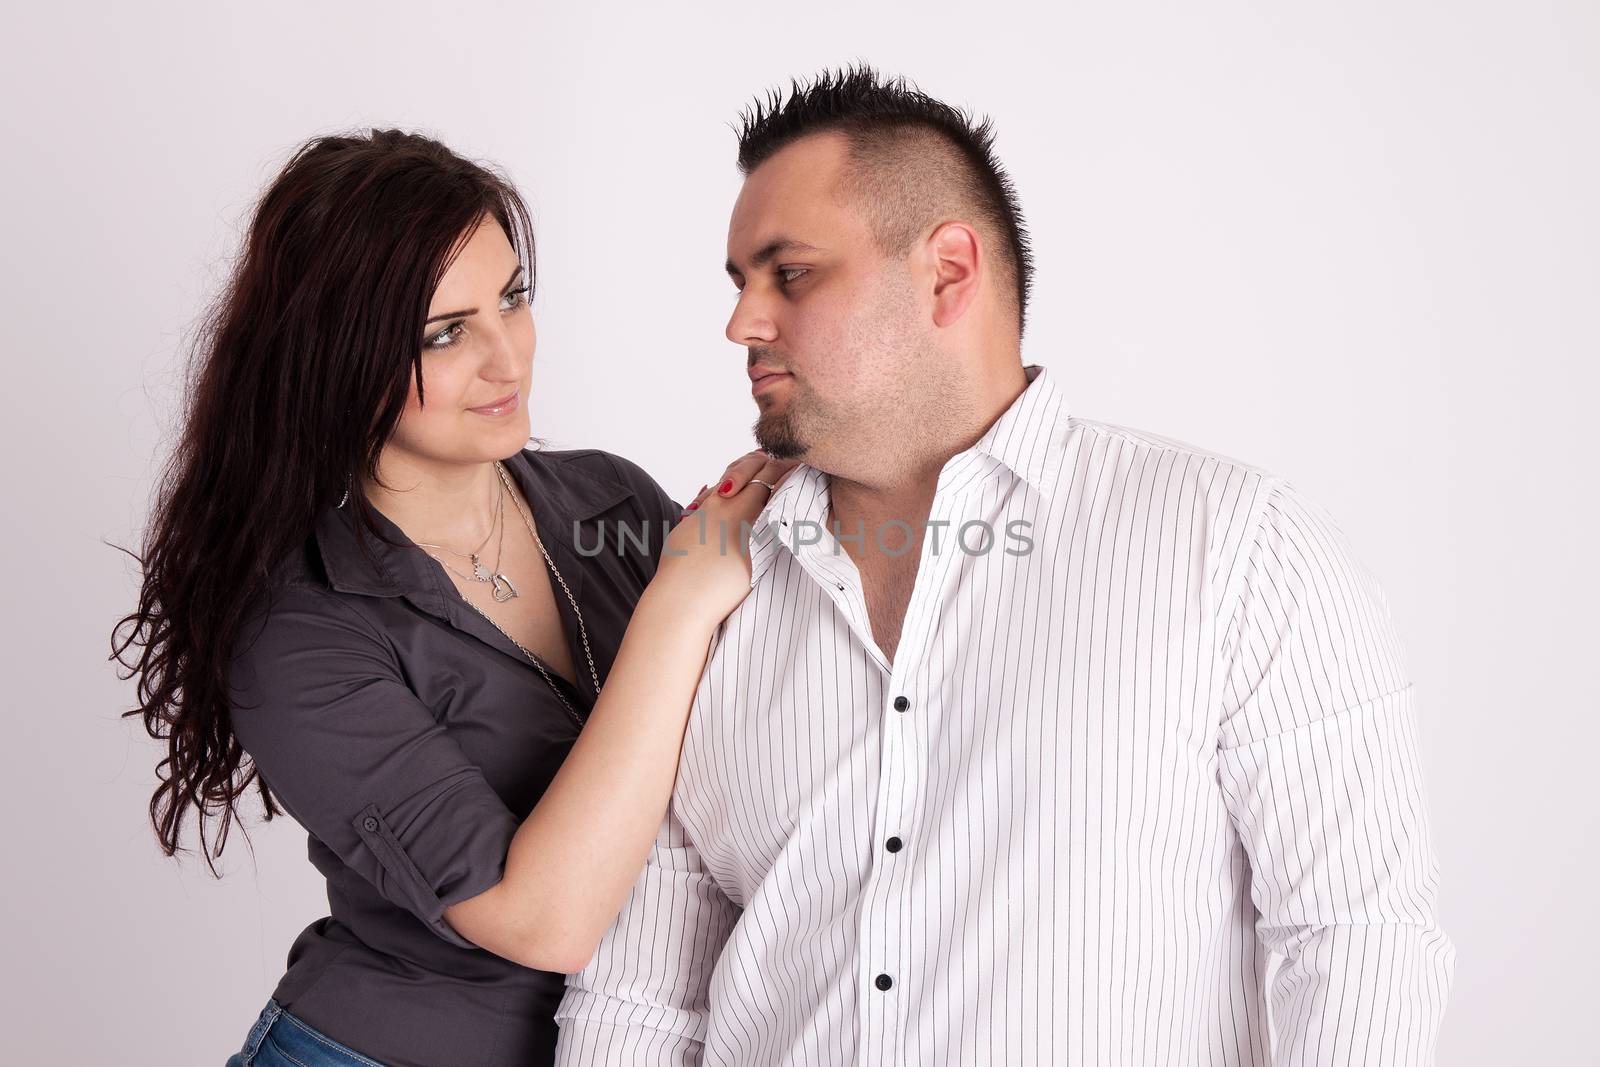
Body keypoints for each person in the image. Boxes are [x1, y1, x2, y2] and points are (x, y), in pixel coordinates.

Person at [555, 66, 1456, 1066]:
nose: (743, 323)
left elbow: (1355, 938)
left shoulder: (1234, 548)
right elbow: (641, 1000)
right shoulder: (706, 594)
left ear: (947, 271)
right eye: (740, 283)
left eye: (791, 273)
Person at [111, 129, 792, 1067]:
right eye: (445, 333)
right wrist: (680, 600)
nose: (507, 360)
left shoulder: (612, 500)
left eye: (511, 299)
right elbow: (543, 921)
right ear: (338, 358)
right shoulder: (297, 626)